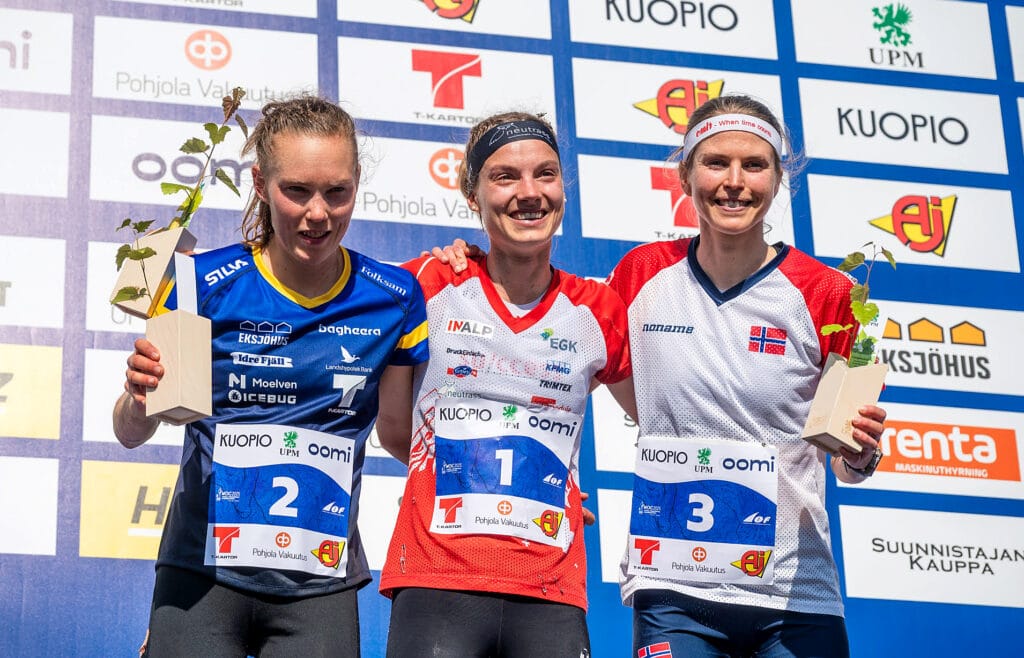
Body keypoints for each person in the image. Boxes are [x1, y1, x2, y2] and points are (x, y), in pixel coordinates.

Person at [113, 95, 428, 657]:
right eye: (297, 190)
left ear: (357, 185)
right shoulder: (201, 284)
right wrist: (138, 399)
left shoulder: (394, 298)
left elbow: (405, 435)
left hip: (320, 585)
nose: (318, 213)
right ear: (260, 183)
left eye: (337, 192)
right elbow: (130, 431)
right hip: (201, 578)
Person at [605, 94, 887, 657]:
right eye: (716, 163)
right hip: (674, 588)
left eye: (754, 165)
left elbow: (846, 459)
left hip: (794, 595)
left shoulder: (831, 294)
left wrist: (859, 456)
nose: (734, 182)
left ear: (778, 179)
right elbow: (558, 345)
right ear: (685, 174)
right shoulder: (641, 274)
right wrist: (465, 262)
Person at [375, 111, 637, 657]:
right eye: (505, 177)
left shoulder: (598, 309)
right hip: (436, 579)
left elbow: (668, 421)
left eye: (545, 174)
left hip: (550, 587)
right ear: (472, 195)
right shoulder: (427, 283)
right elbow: (396, 430)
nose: (529, 193)